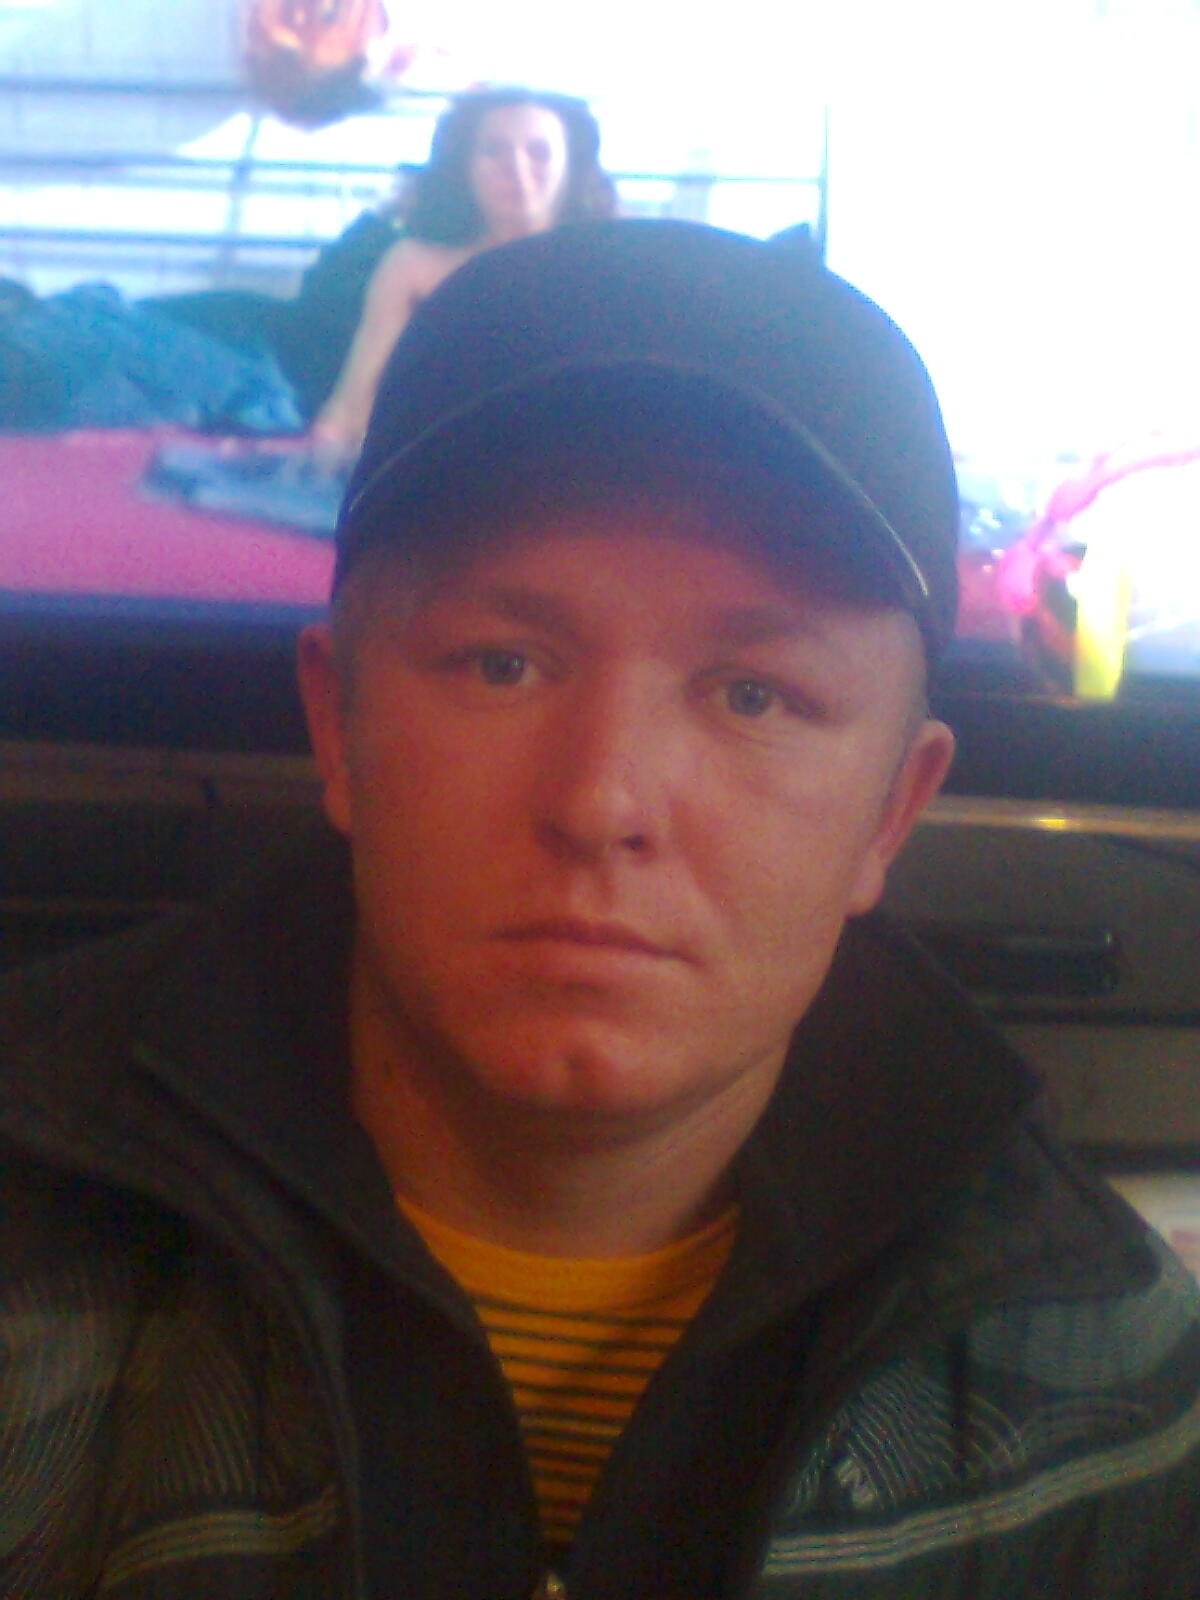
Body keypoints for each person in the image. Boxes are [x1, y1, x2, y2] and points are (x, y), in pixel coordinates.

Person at [2, 219, 1199, 1599]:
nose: (601, 800)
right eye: (502, 664)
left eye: (754, 695)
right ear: (338, 726)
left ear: (892, 808)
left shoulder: (1118, 1385)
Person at [308, 84, 616, 455]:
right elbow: (353, 399)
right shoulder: (413, 267)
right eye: (494, 151)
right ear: (464, 166)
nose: (517, 169)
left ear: (571, 167)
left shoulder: (607, 270)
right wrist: (325, 453)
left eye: (539, 152)